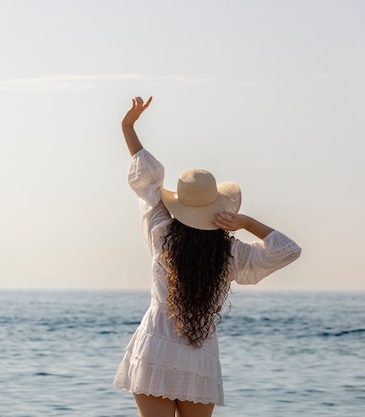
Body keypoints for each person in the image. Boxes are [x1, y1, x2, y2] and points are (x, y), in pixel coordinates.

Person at [113, 96, 302, 417]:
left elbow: (148, 180)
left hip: (155, 347)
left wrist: (127, 126)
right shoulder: (229, 253)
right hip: (198, 357)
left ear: (180, 206)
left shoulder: (161, 235)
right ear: (220, 209)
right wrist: (247, 223)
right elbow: (287, 250)